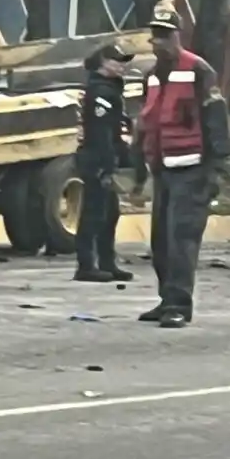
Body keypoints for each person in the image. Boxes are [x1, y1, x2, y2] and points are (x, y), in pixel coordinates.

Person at [131, 0, 230, 329]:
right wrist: (138, 168)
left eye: (166, 35)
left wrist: (214, 170)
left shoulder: (199, 71)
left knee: (182, 239)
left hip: (193, 171)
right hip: (162, 171)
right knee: (160, 241)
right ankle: (166, 299)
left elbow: (216, 121)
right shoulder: (152, 77)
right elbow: (146, 124)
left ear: (178, 36)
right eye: (156, 35)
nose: (160, 41)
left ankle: (179, 304)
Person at [74, 43, 135, 284]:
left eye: (124, 62)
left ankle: (107, 262)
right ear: (103, 63)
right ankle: (87, 265)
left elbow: (115, 131)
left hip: (106, 158)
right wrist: (105, 164)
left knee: (110, 213)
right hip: (96, 159)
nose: (122, 66)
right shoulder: (100, 92)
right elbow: (100, 133)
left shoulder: (111, 89)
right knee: (94, 213)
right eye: (117, 61)